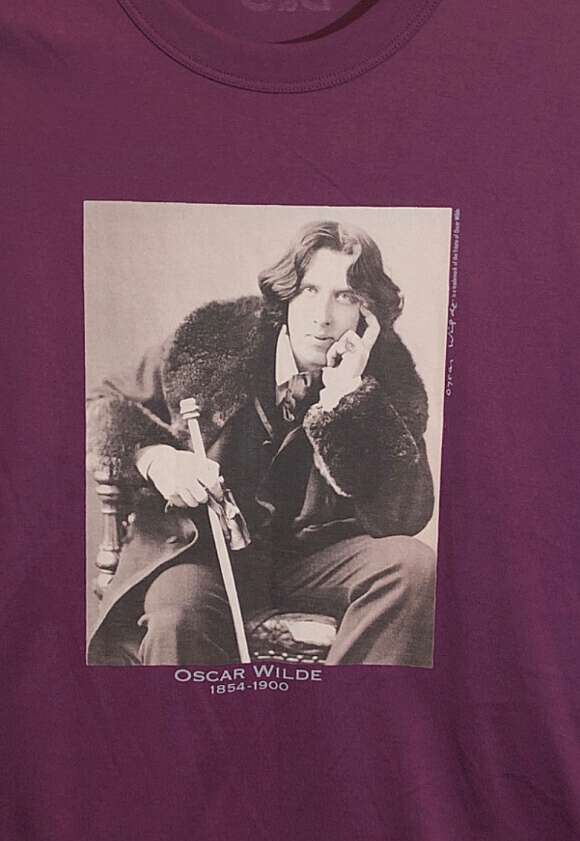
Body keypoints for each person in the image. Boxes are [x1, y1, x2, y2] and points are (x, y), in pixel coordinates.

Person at [86, 219, 438, 666]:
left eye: (345, 296)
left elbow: (405, 516)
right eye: (309, 290)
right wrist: (157, 459)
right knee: (177, 617)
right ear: (286, 292)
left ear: (368, 313)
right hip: (201, 552)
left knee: (412, 568)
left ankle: (344, 709)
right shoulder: (215, 339)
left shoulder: (387, 373)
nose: (323, 316)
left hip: (315, 561)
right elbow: (100, 405)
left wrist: (349, 401)